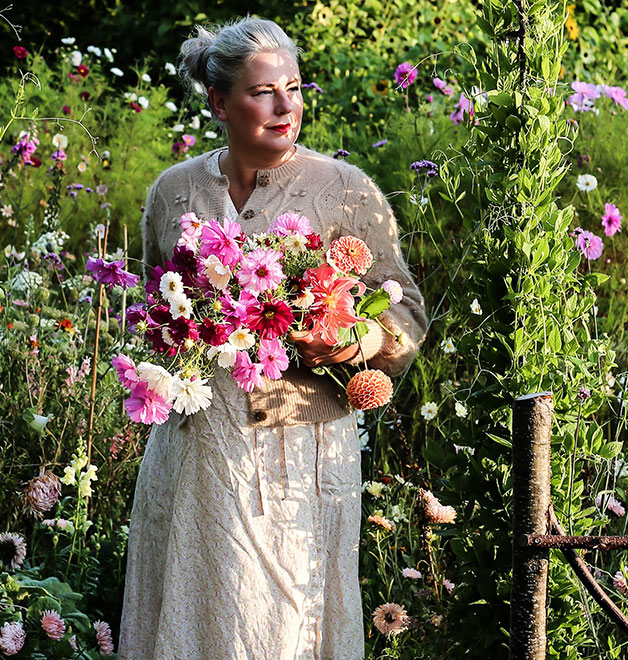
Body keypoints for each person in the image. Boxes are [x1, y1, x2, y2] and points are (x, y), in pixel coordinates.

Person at [119, 16, 427, 659]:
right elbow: (149, 310)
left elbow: (408, 315)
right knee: (192, 620)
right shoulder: (173, 192)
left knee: (288, 627)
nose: (286, 106)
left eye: (293, 86)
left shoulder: (347, 192)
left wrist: (356, 341)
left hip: (302, 452)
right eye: (263, 92)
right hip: (197, 453)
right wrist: (175, 341)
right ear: (219, 103)